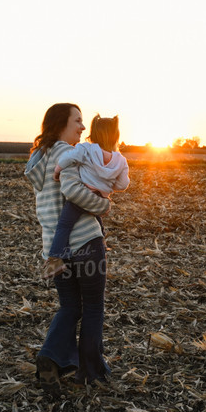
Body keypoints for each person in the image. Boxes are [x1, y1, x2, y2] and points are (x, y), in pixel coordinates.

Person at [24, 103, 112, 393]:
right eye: (78, 121)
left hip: (55, 250)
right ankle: (90, 372)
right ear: (62, 122)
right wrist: (104, 205)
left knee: (71, 307)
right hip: (86, 243)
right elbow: (73, 191)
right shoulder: (67, 154)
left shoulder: (39, 157)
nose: (83, 127)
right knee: (93, 309)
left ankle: (50, 356)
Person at [43, 115, 129, 279]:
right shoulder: (121, 161)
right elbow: (123, 185)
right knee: (97, 220)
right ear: (116, 135)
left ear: (93, 133)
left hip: (82, 196)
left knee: (64, 225)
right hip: (100, 200)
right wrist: (110, 186)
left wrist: (57, 171)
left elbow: (68, 158)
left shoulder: (86, 149)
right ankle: (101, 245)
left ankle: (54, 259)